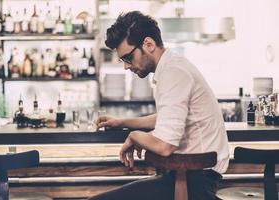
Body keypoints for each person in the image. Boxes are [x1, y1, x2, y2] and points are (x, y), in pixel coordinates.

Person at [89, 11, 229, 200]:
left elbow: (165, 146)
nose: (126, 66)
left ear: (149, 44)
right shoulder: (173, 67)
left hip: (193, 182)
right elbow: (168, 117)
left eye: (128, 58)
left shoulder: (173, 73)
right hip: (188, 176)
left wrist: (134, 136)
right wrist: (122, 122)